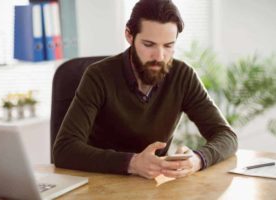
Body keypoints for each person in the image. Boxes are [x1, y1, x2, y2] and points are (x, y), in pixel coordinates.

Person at [53, 0, 238, 179]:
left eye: (168, 46)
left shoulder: (183, 76)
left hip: (153, 188)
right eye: (149, 45)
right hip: (100, 185)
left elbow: (226, 136)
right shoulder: (98, 76)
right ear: (129, 35)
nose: (159, 56)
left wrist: (198, 159)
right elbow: (64, 149)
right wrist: (132, 163)